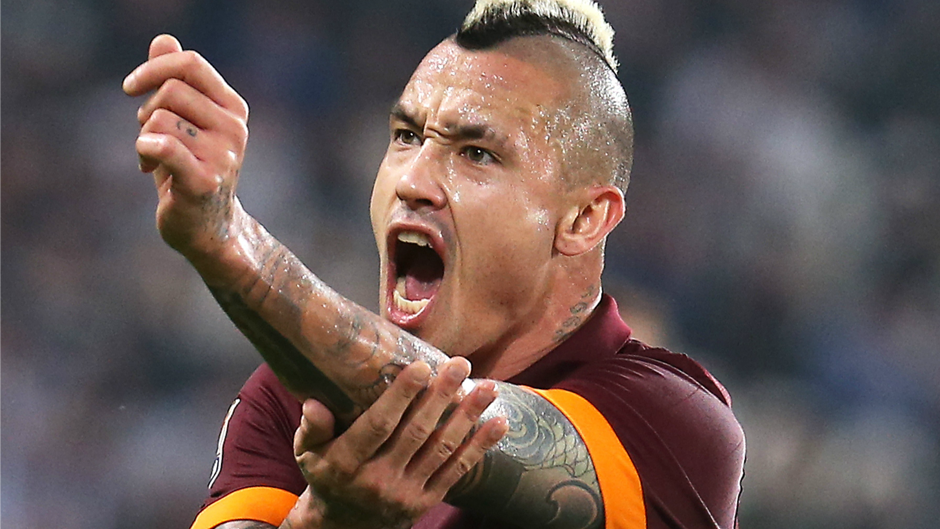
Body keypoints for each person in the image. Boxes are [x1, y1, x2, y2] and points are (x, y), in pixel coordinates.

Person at [123, 0, 745, 528]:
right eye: (406, 136)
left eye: (476, 153)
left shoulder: (670, 421)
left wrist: (227, 243)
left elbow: (463, 419)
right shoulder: (293, 399)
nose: (412, 181)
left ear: (583, 219)